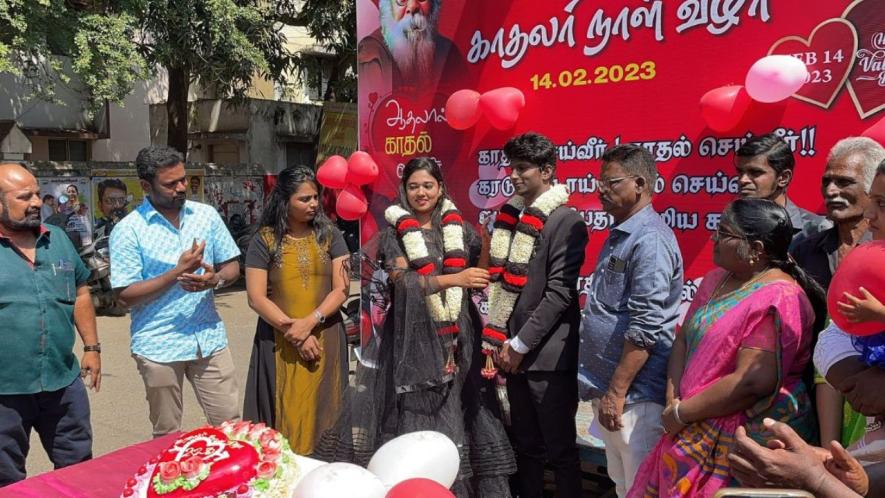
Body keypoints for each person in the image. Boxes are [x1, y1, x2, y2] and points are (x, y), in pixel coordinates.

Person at [315, 157, 516, 497]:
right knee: (419, 412)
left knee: (465, 408)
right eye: (414, 186)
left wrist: (491, 245)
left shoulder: (461, 229)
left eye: (428, 185)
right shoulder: (394, 233)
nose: (421, 193)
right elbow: (403, 283)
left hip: (458, 335)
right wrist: (457, 278)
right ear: (404, 191)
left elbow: (481, 276)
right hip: (412, 340)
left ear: (441, 188)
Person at [629, 199, 824, 497]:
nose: (713, 238)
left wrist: (682, 414)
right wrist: (674, 400)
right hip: (690, 426)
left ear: (756, 249)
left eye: (724, 232)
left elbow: (752, 382)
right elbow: (683, 338)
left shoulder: (780, 296)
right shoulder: (715, 280)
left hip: (748, 441)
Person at [480, 132, 588, 498]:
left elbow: (559, 293)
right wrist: (502, 341)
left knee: (560, 452)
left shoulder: (566, 221)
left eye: (522, 168)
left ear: (547, 170)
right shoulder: (511, 218)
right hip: (513, 354)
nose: (513, 175)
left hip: (546, 359)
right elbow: (506, 288)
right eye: (511, 167)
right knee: (524, 447)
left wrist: (521, 344)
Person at [109, 145, 241, 437]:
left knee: (231, 427)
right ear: (146, 186)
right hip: (158, 344)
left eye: (183, 179)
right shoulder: (128, 230)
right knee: (168, 433)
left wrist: (215, 279)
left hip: (208, 338)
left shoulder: (205, 215)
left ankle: (228, 482)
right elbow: (125, 294)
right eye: (171, 184)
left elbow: (232, 265)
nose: (181, 187)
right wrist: (176, 273)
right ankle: (173, 481)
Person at [579, 144, 684, 498]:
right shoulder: (624, 232)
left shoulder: (650, 240)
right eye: (600, 182)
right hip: (614, 393)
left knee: (642, 489)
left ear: (639, 184)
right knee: (623, 486)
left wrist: (616, 393)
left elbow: (645, 329)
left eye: (611, 182)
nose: (601, 190)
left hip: (634, 398)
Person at [0, 163, 101, 486]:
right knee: (7, 477)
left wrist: (91, 347)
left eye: (36, 193)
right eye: (24, 196)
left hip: (62, 381)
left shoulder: (56, 238)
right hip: (5, 390)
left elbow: (82, 291)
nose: (36, 202)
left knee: (78, 467)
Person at [242, 167, 350, 455]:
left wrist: (312, 321)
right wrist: (296, 332)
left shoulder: (331, 235)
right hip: (280, 338)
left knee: (327, 405)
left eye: (315, 197)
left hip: (326, 334)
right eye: (304, 199)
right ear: (284, 201)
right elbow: (255, 297)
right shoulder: (265, 240)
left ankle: (328, 472)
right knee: (285, 406)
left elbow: (341, 289)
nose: (313, 204)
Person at [791, 137, 884, 449]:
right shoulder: (805, 253)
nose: (831, 191)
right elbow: (828, 350)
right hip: (852, 429)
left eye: (843, 182)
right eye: (826, 181)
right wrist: (830, 451)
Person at [735, 133, 830, 241]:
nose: (743, 180)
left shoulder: (817, 230)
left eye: (755, 172)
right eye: (740, 172)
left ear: (783, 178)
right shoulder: (733, 227)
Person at [358, 0, 465, 90]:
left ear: (433, 5)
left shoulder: (449, 53)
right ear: (388, 7)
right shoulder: (373, 53)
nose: (413, 6)